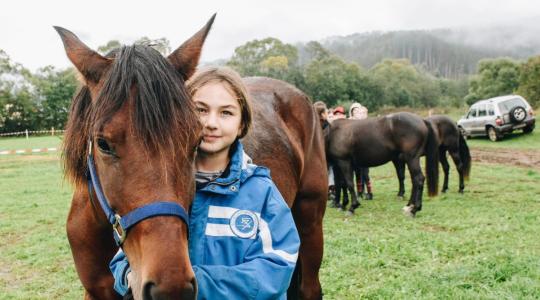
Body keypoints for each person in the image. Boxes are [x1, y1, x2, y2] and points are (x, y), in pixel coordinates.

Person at [109, 66, 300, 299]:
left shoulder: (261, 191)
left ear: (242, 124)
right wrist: (129, 277)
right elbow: (125, 255)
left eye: (226, 113)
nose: (211, 122)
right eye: (200, 109)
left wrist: (189, 284)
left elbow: (277, 268)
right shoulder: (163, 188)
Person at [348, 102, 373, 200]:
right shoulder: (349, 121)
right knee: (357, 173)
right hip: (354, 152)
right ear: (351, 112)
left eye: (357, 110)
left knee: (365, 173)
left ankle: (369, 192)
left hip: (364, 151)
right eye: (354, 110)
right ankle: (359, 191)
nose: (356, 112)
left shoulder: (365, 122)